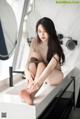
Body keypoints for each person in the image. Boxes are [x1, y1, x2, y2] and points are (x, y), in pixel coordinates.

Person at [19, 17, 65, 105]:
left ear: (50, 31)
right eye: (39, 31)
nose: (42, 34)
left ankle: (30, 92)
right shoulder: (35, 42)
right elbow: (28, 61)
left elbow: (50, 67)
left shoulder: (55, 44)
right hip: (42, 73)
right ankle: (30, 94)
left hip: (55, 75)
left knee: (41, 65)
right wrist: (27, 73)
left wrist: (37, 82)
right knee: (35, 59)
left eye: (45, 31)